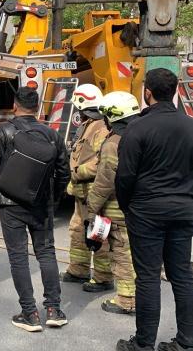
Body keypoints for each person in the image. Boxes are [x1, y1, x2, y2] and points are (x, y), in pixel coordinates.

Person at [0, 87, 70, 332]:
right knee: (46, 252)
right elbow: (64, 171)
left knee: (18, 257)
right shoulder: (52, 134)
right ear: (38, 107)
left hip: (10, 203)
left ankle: (30, 313)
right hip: (42, 204)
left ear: (15, 106)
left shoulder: (3, 130)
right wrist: (55, 200)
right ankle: (54, 309)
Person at [115, 68, 193, 351]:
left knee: (147, 276)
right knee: (182, 275)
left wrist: (127, 206)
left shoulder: (137, 128)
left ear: (147, 92)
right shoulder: (190, 125)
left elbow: (124, 176)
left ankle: (144, 344)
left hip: (146, 211)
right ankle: (186, 341)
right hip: (184, 211)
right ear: (173, 93)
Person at [85, 91, 139, 315]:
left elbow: (105, 180)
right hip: (141, 207)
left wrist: (92, 206)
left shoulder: (113, 143)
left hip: (117, 209)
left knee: (121, 253)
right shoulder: (143, 135)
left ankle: (127, 300)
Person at [61, 84, 113, 293]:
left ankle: (103, 278)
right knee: (78, 230)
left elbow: (102, 160)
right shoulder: (87, 124)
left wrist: (79, 171)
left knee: (98, 234)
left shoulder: (101, 127)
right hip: (81, 192)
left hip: (94, 192)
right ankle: (78, 270)